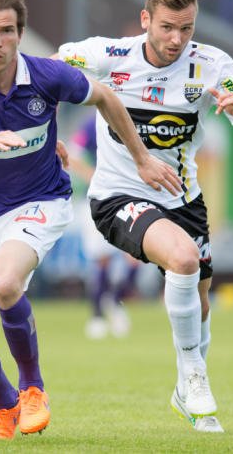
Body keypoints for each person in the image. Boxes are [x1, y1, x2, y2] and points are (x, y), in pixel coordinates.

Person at [0, 0, 179, 441]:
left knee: (5, 283)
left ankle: (32, 389)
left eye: (6, 31)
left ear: (20, 33)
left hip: (41, 200)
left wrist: (142, 158)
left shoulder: (46, 75)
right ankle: (5, 404)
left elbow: (105, 97)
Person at [57, 0, 233, 433]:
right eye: (167, 27)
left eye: (186, 28)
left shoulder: (213, 65)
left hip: (183, 199)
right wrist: (46, 134)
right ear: (145, 20)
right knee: (183, 258)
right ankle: (194, 375)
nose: (177, 39)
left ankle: (184, 391)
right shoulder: (108, 55)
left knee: (201, 303)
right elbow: (42, 72)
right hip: (117, 195)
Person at [68, 112, 141, 340]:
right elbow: (73, 155)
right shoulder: (93, 122)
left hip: (133, 197)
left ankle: (115, 301)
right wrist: (95, 177)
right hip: (100, 200)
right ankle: (97, 315)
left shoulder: (138, 115)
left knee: (136, 256)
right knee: (102, 259)